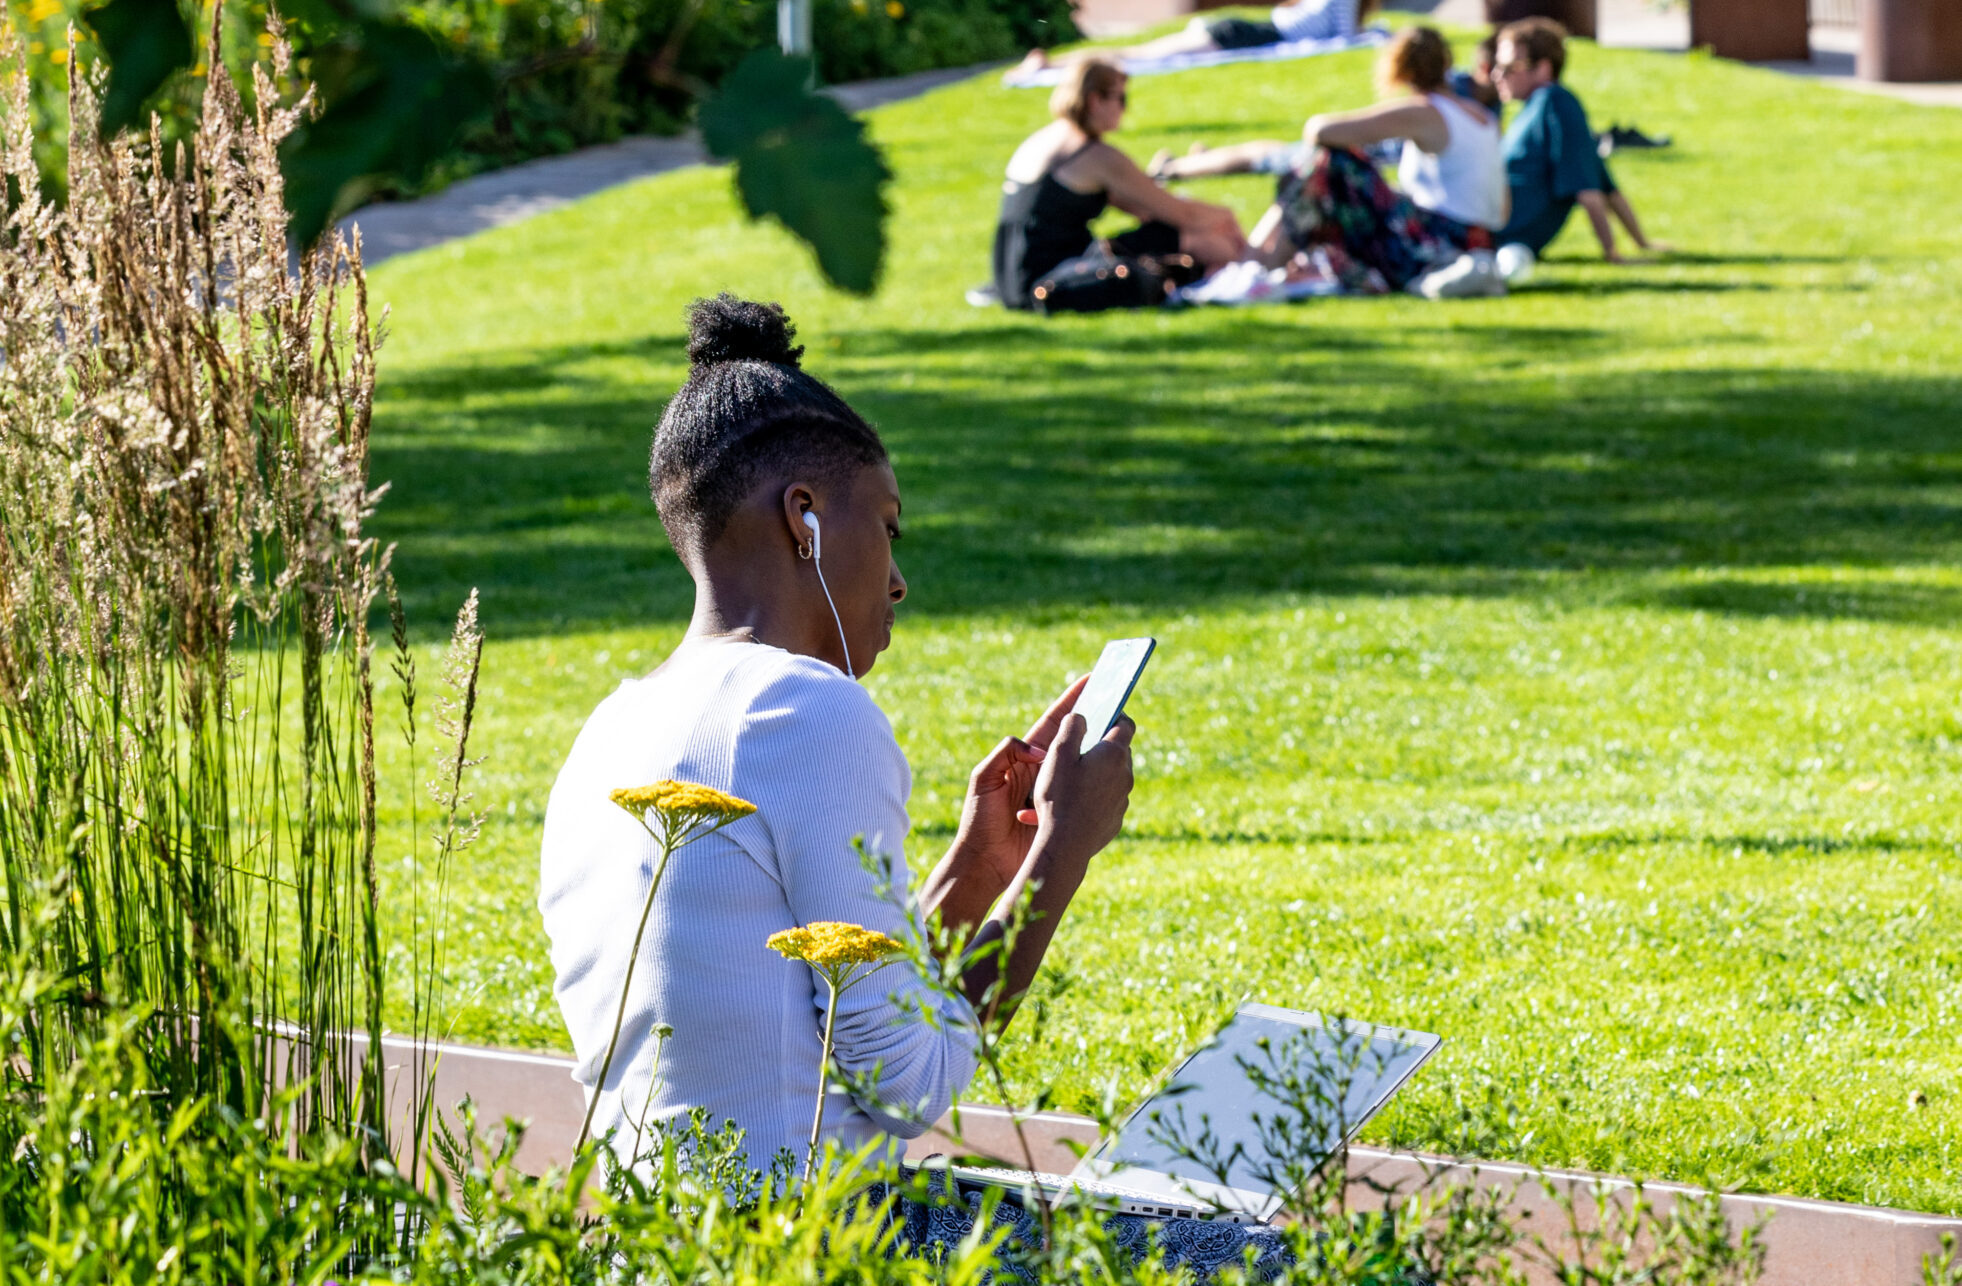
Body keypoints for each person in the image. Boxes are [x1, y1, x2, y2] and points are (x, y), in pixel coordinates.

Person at [1200, 26, 1507, 297]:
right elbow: (1501, 209)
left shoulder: (1424, 112)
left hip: (1436, 245)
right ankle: (1258, 263)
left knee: (1331, 160)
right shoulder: (1479, 115)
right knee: (1330, 166)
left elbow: (1319, 131)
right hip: (1474, 242)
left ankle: (1257, 265)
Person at [993, 61, 1245, 310]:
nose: (1124, 109)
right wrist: (1226, 217)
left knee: (1169, 234)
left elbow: (1143, 207)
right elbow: (1182, 214)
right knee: (1184, 237)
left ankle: (1248, 265)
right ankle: (1255, 265)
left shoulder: (1047, 139)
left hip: (1014, 276)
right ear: (1094, 101)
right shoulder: (1094, 155)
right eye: (1121, 99)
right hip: (1053, 278)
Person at [1491, 17, 1664, 265]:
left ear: (1543, 68)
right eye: (1498, 66)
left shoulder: (1555, 103)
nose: (1498, 75)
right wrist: (1641, 243)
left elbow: (1590, 189)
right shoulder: (1536, 107)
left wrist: (1613, 255)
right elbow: (1605, 186)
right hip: (1492, 231)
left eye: (1511, 66)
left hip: (1498, 237)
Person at [1015, 0, 1380, 78]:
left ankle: (1053, 62)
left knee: (1139, 54)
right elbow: (1347, 37)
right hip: (1239, 35)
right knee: (1139, 57)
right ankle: (1050, 64)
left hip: (1242, 30)